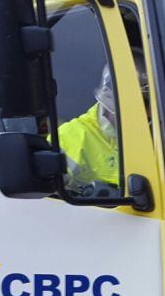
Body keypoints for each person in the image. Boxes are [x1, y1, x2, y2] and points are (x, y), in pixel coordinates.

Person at [58, 51, 149, 197]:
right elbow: (46, 201)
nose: (149, 114)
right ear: (113, 96)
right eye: (144, 103)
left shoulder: (159, 139)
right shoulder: (70, 138)